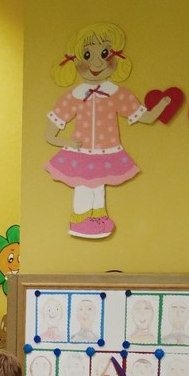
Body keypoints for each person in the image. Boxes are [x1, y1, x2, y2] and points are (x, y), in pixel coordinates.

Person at [45, 23, 172, 239]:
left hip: (107, 150)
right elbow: (51, 131)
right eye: (88, 55)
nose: (97, 62)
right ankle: (80, 221)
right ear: (75, 60)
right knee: (84, 185)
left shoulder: (117, 93)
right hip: (81, 152)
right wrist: (65, 142)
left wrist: (163, 104)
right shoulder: (75, 95)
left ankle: (98, 217)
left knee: (98, 185)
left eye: (104, 54)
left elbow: (146, 117)